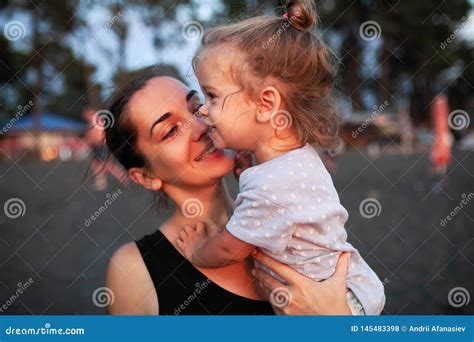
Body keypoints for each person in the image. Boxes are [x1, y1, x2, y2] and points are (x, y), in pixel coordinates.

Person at [176, 0, 385, 315]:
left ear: (265, 104)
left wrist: (196, 253)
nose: (203, 109)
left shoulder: (271, 186)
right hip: (355, 284)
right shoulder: (298, 158)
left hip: (335, 303)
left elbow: (230, 248)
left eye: (212, 96)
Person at [104, 67, 353, 315]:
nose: (200, 126)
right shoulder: (136, 269)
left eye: (197, 107)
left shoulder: (293, 222)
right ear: (146, 176)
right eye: (171, 131)